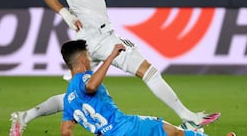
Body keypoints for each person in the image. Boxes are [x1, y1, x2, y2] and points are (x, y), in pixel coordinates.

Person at [10, 0, 220, 136]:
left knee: (74, 97)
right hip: (98, 38)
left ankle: (26, 115)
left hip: (97, 38)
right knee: (149, 72)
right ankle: (188, 117)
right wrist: (65, 14)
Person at [61, 40, 208, 136]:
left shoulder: (68, 98)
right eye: (88, 57)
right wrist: (111, 57)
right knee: (173, 132)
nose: (89, 60)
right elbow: (91, 86)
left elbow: (66, 131)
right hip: (126, 128)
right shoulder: (84, 77)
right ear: (81, 60)